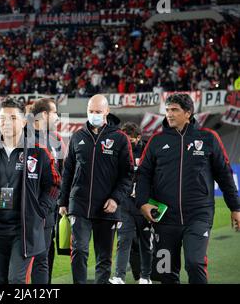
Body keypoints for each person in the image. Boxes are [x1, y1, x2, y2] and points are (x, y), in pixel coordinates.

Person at [136, 93, 240, 284]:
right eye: (167, 110)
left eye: (174, 110)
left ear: (188, 113)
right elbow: (143, 174)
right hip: (165, 219)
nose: (169, 114)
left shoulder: (208, 138)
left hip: (199, 216)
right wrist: (142, 202)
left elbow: (224, 174)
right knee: (166, 272)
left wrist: (236, 208)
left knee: (194, 263)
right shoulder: (156, 141)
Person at [0, 97, 61, 284]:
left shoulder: (38, 150)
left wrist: (39, 210)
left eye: (12, 118)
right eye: (2, 119)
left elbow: (54, 183)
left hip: (23, 230)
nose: (6, 123)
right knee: (2, 280)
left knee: (16, 280)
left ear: (24, 121)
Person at [59, 94, 134, 284]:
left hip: (107, 208)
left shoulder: (120, 138)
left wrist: (116, 199)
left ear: (107, 112)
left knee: (104, 257)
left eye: (98, 112)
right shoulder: (77, 137)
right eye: (91, 111)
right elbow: (68, 171)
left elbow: (127, 174)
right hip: (80, 205)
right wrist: (63, 201)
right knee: (79, 250)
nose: (94, 115)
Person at [109, 122, 153, 284]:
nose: (127, 142)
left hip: (143, 205)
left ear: (139, 137)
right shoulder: (119, 151)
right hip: (125, 203)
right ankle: (119, 276)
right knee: (123, 240)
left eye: (130, 139)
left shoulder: (148, 151)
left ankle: (145, 276)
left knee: (145, 241)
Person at [29, 98, 65, 284]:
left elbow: (59, 174)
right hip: (29, 212)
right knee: (29, 261)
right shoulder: (23, 138)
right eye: (55, 113)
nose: (58, 117)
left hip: (48, 212)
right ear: (44, 115)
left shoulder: (53, 140)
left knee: (45, 259)